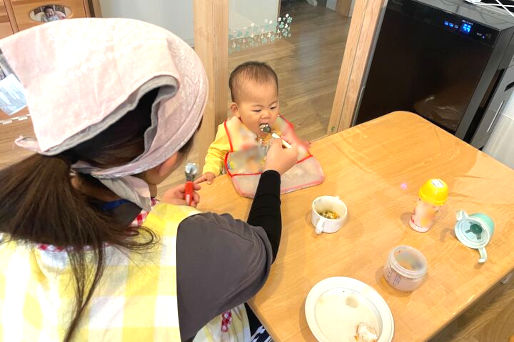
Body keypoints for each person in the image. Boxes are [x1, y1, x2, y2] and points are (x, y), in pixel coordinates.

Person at [0, 18, 298, 341]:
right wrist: (272, 174)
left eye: (272, 106)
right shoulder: (192, 241)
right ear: (168, 159)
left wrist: (153, 207)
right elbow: (261, 246)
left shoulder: (18, 213)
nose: (266, 114)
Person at [196, 61, 308, 185]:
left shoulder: (277, 124)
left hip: (270, 180)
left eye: (273, 107)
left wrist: (297, 145)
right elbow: (216, 154)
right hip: (237, 182)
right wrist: (210, 171)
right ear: (236, 110)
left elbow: (288, 144)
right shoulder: (229, 131)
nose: (267, 114)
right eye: (257, 110)